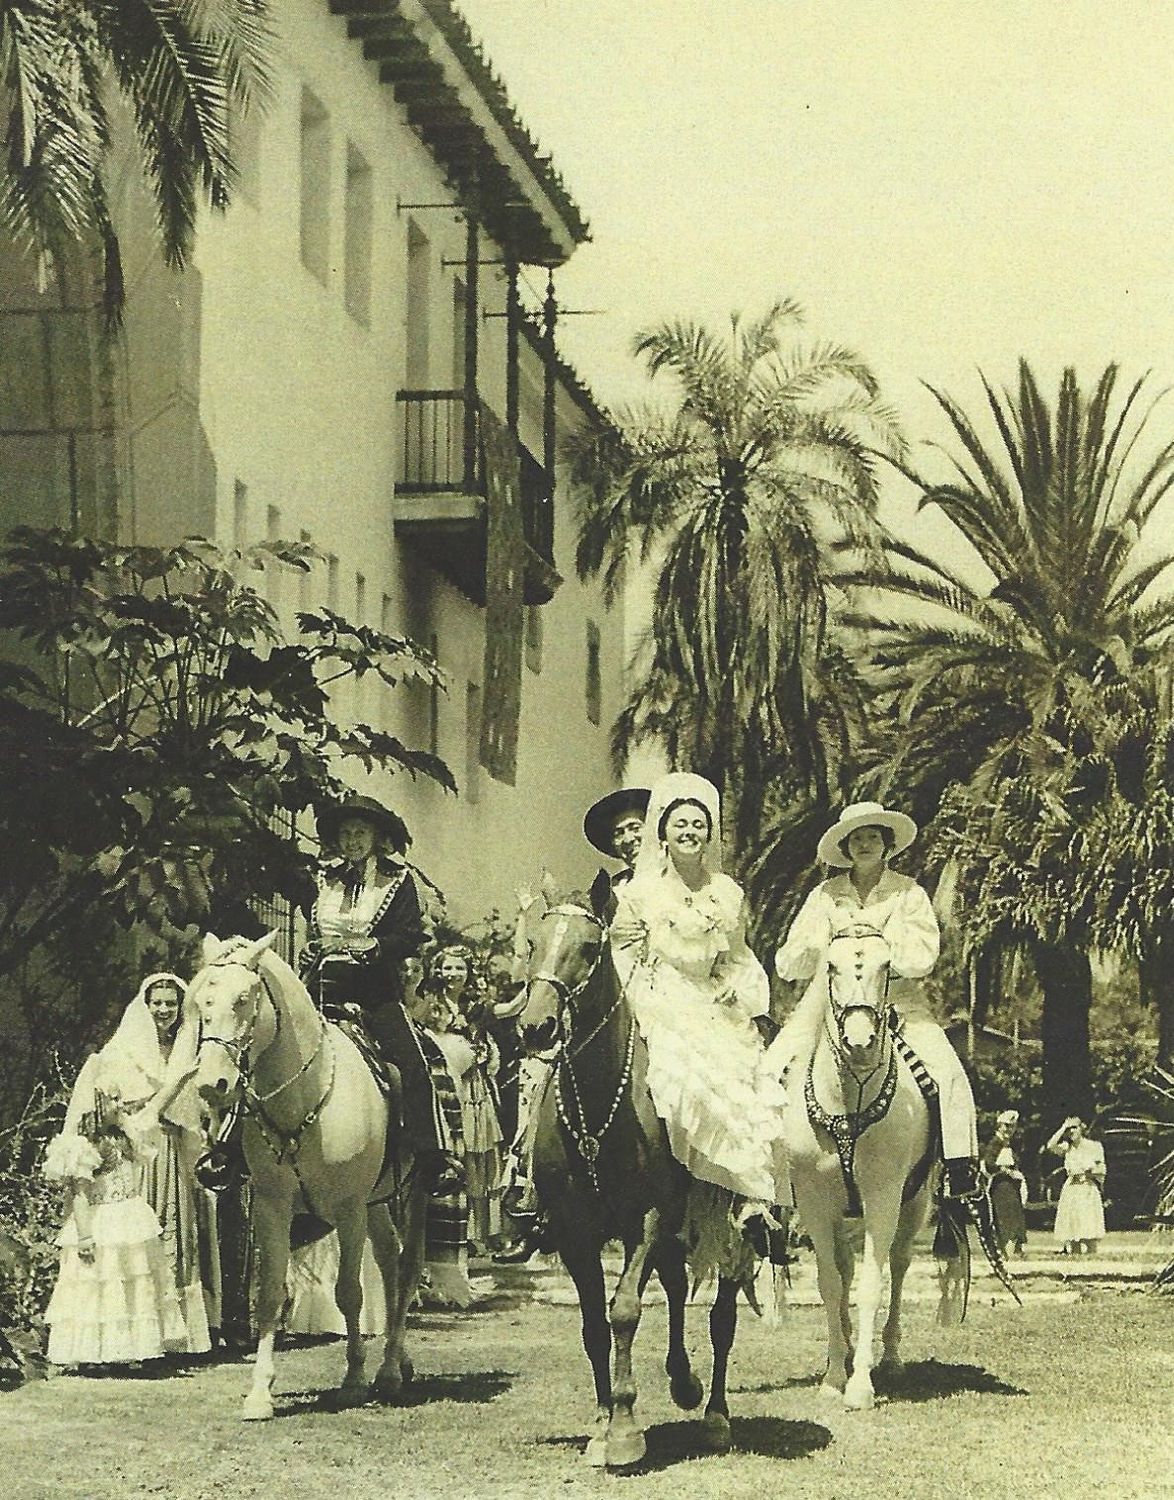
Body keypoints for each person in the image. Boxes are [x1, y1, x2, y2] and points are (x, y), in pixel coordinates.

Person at [773, 800, 981, 1202]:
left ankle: (959, 1170)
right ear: (846, 846)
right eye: (857, 838)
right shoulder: (825, 895)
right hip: (828, 1011)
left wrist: (880, 952)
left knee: (949, 1075)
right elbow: (787, 962)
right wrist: (818, 947)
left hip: (899, 1007)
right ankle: (771, 1187)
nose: (865, 844)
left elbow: (924, 955)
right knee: (771, 1072)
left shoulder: (908, 893)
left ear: (886, 844)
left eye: (873, 837)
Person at [609, 771, 789, 1231]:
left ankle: (747, 1198)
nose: (690, 832)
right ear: (662, 833)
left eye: (699, 824)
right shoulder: (637, 893)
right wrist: (646, 996)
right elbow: (623, 954)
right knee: (681, 1078)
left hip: (713, 1000)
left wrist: (736, 984)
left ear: (709, 834)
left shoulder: (728, 893)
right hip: (657, 998)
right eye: (680, 824)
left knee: (750, 1083)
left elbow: (739, 953)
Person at [300, 794, 463, 1195]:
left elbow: (411, 934)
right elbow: (314, 928)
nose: (353, 841)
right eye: (346, 834)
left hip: (373, 991)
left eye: (361, 833)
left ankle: (431, 1158)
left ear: (376, 837)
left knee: (413, 1062)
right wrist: (309, 948)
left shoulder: (398, 879)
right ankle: (233, 1150)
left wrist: (376, 947)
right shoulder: (323, 878)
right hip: (321, 985)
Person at [42, 1053, 189, 1368]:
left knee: (132, 1283)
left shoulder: (127, 1133)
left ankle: (131, 1349)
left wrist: (182, 1078)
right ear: (96, 1104)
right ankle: (96, 1353)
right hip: (101, 1220)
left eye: (121, 1099)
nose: (121, 1105)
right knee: (101, 1285)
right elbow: (80, 1194)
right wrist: (84, 1236)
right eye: (113, 1100)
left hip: (130, 1217)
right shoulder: (83, 1145)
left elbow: (156, 1105)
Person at [97, 973, 217, 1352]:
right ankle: (134, 1334)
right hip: (134, 1153)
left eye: (170, 1004)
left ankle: (175, 1333)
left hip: (170, 1149)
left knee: (174, 1231)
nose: (163, 1010)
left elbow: (196, 1106)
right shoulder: (125, 1048)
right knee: (135, 1235)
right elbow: (111, 1102)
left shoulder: (188, 1050)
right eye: (157, 1003)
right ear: (145, 1005)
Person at [424, 946, 505, 1255]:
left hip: (473, 1087)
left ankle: (477, 1233)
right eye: (447, 968)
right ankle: (447, 1230)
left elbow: (509, 1008)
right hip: (443, 1085)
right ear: (437, 971)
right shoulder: (429, 1003)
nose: (453, 974)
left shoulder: (475, 1006)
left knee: (478, 1155)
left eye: (459, 968)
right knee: (454, 1152)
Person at [584, 786, 651, 920]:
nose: (628, 839)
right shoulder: (614, 892)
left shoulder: (687, 875)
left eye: (635, 828)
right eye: (618, 833)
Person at [1047, 1116, 1106, 1255]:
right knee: (1072, 1228)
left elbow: (1101, 1169)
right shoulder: (1067, 1148)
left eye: (1074, 1127)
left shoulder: (1094, 1146)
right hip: (1071, 1189)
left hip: (1087, 1188)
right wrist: (1062, 1127)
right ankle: (1074, 1256)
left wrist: (1088, 1173)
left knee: (1088, 1227)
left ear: (1082, 1128)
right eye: (1069, 1129)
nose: (1071, 1131)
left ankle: (1091, 1258)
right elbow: (1050, 1146)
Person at [982, 1109, 1028, 1257]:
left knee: (1014, 1219)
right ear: (999, 1126)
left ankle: (1012, 1253)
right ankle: (1008, 1254)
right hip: (1002, 1187)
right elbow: (988, 1164)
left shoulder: (1008, 1144)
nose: (1009, 1129)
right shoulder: (995, 1143)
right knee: (1008, 1221)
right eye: (1006, 1126)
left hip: (1011, 1187)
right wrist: (1006, 1171)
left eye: (1012, 1126)